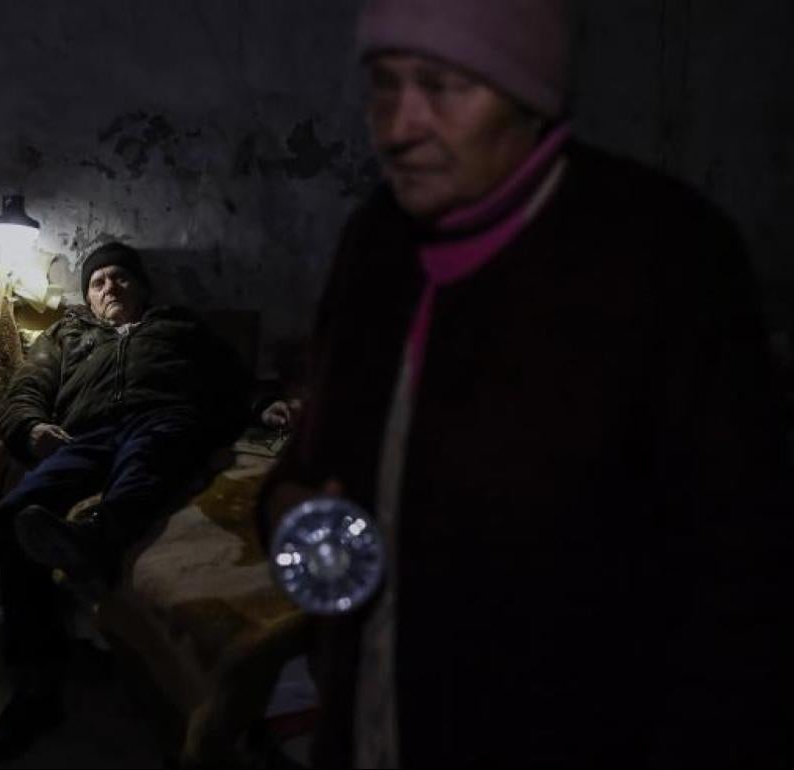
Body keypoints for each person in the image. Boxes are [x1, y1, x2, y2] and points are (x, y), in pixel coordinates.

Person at [259, 0, 794, 766]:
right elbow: (311, 465)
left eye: (442, 85)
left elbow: (743, 594)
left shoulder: (668, 258)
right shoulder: (375, 243)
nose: (399, 125)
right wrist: (288, 508)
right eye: (384, 83)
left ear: (529, 92)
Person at [0, 241, 292, 762]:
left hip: (162, 418)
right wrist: (32, 431)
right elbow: (25, 389)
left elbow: (230, 379)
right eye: (99, 283)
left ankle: (96, 537)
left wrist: (265, 403)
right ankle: (36, 687)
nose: (111, 288)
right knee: (14, 514)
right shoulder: (67, 334)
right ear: (88, 298)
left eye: (121, 278)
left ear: (144, 288)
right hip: (87, 433)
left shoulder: (178, 328)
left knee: (144, 465)